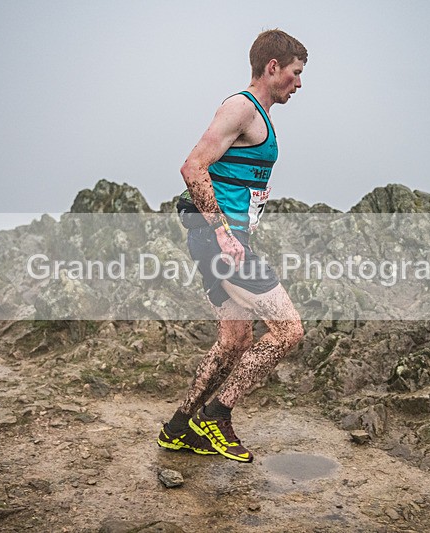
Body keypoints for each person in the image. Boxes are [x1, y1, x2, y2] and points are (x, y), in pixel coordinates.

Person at [157, 29, 307, 463]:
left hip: (220, 239)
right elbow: (192, 167)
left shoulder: (261, 114)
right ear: (272, 67)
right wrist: (223, 231)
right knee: (289, 329)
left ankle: (178, 427)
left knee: (236, 338)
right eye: (295, 73)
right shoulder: (241, 107)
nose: (299, 83)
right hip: (218, 240)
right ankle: (217, 415)